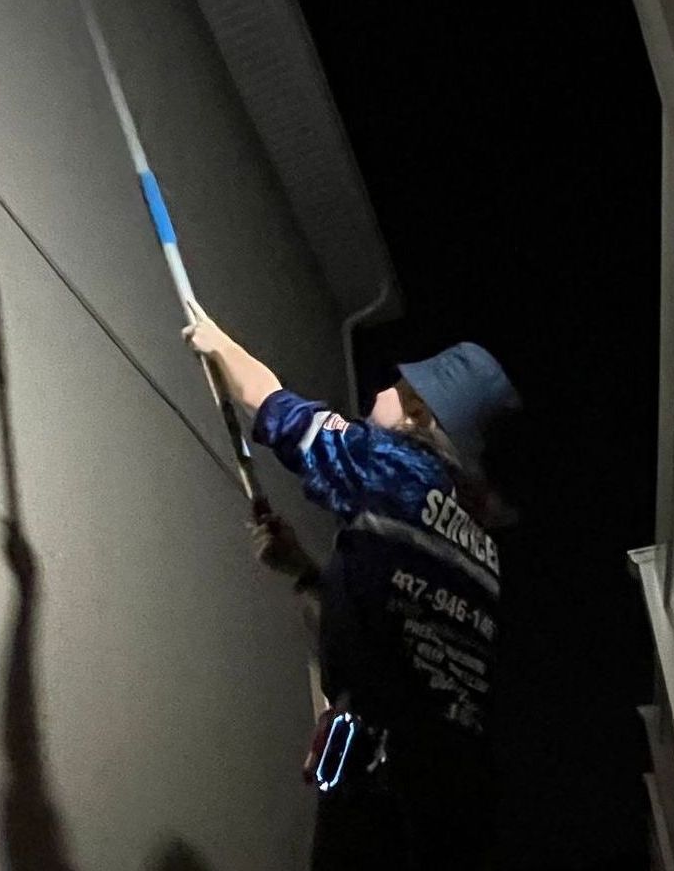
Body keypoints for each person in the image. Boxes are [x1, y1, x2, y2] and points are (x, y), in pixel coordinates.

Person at [183, 303, 519, 871]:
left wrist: (217, 343)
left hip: (384, 796)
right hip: (458, 805)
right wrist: (305, 572)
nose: (385, 390)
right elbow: (390, 633)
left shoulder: (393, 468)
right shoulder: (481, 547)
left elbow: (273, 407)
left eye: (399, 385)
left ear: (418, 414)